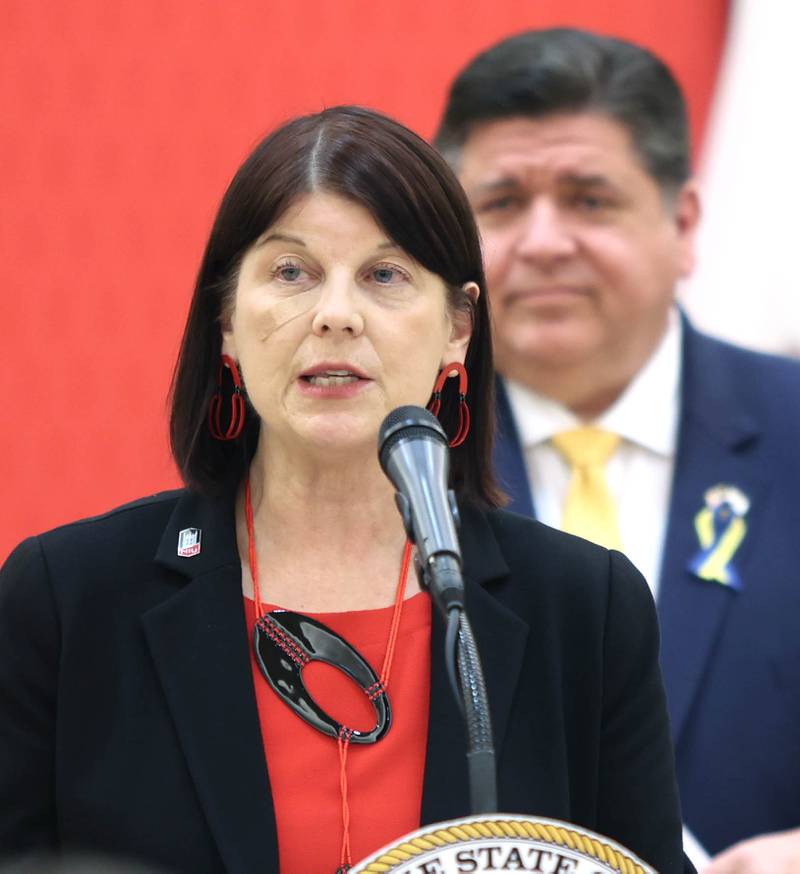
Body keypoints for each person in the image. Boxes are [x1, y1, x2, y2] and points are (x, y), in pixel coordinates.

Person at [0, 105, 686, 874]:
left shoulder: (584, 609)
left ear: (458, 327)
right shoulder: (68, 600)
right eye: (291, 272)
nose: (334, 316)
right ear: (226, 321)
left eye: (384, 276)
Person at [434, 27, 800, 873]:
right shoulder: (388, 465)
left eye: (589, 199)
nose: (545, 241)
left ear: (683, 221)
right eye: (502, 203)